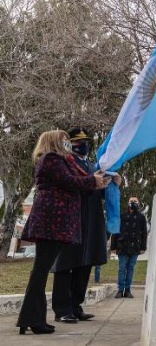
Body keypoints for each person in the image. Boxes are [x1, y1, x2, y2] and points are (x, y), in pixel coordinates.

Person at [16, 130, 110, 335]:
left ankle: (32, 319)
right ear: (54, 142)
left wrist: (98, 181)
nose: (68, 143)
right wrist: (92, 181)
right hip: (51, 222)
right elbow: (71, 182)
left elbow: (82, 181)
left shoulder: (62, 160)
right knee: (40, 273)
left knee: (40, 273)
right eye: (65, 140)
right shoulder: (51, 159)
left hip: (54, 223)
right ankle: (31, 319)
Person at [51, 127, 121, 324]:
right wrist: (93, 180)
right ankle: (62, 309)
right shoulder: (65, 163)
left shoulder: (90, 165)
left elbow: (96, 190)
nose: (83, 145)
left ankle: (76, 306)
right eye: (78, 142)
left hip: (90, 223)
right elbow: (73, 184)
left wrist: (111, 182)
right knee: (66, 265)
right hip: (71, 221)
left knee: (84, 264)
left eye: (85, 142)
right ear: (69, 143)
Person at [111, 196, 148, 299]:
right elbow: (115, 231)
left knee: (130, 268)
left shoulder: (141, 217)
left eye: (135, 201)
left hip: (135, 246)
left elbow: (144, 233)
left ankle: (127, 290)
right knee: (122, 269)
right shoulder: (121, 216)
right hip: (122, 246)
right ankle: (120, 290)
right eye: (131, 201)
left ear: (139, 203)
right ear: (128, 203)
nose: (133, 203)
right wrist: (113, 246)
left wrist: (143, 247)